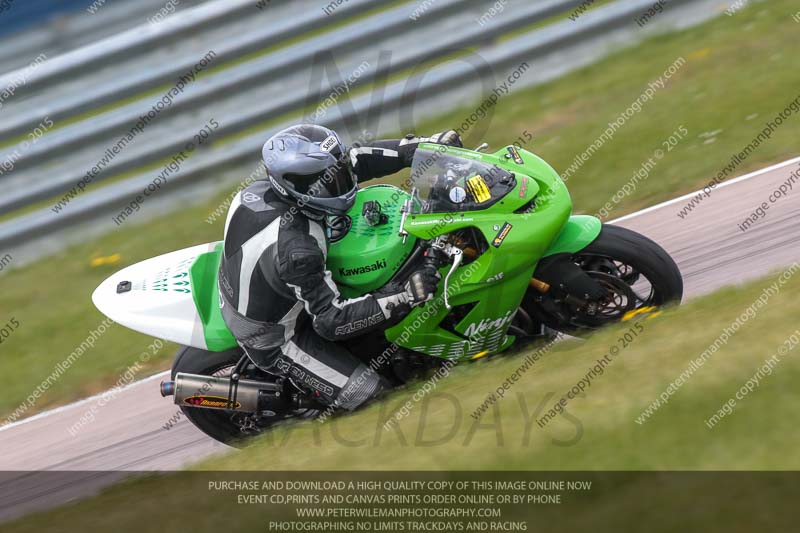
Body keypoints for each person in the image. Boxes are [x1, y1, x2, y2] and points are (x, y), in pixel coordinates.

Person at [218, 124, 463, 410]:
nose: (344, 182)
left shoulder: (269, 189)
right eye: (329, 182)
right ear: (298, 186)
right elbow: (331, 321)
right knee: (375, 396)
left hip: (272, 281)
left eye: (340, 171)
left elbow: (357, 159)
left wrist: (424, 148)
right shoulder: (299, 249)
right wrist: (405, 295)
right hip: (276, 336)